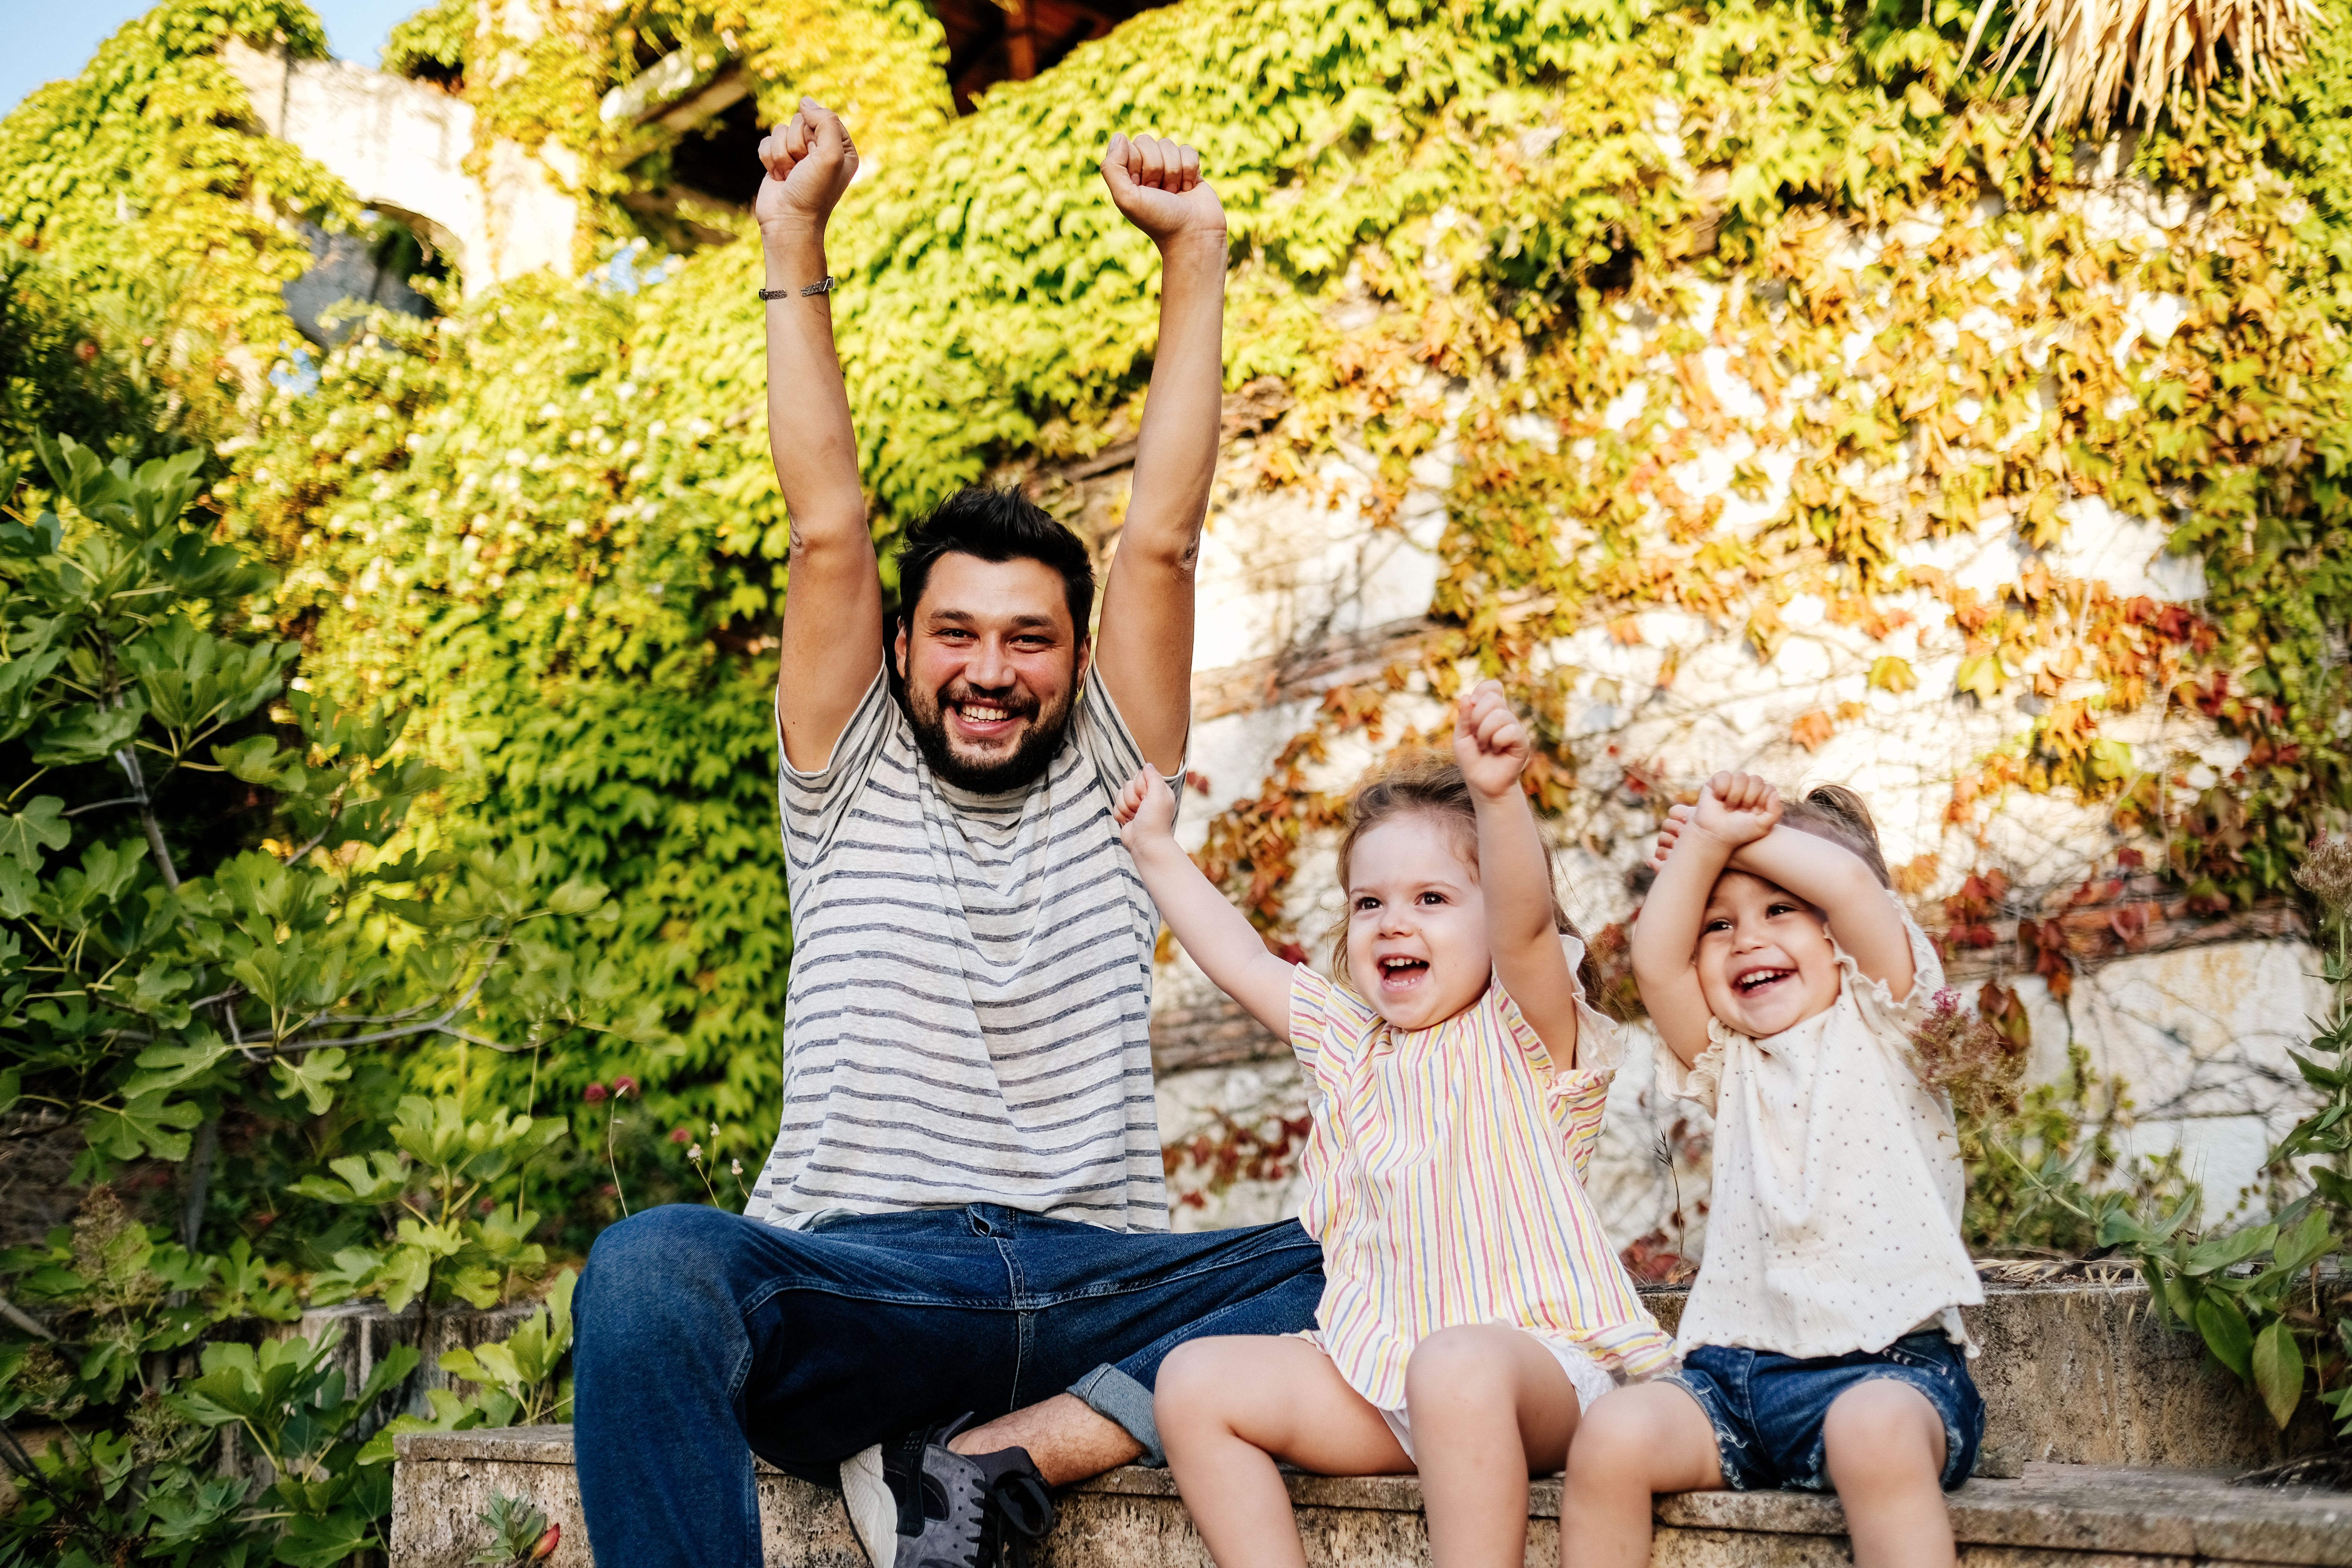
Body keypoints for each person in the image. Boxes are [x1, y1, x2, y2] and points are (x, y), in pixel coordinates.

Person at [570, 100, 1326, 1568]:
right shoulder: (846, 768)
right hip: (870, 1281)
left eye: (1031, 638)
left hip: (1099, 1275)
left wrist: (1196, 249)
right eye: (958, 634)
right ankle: (929, 1435)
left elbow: (1164, 538)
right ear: (902, 650)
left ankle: (991, 1460)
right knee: (650, 1268)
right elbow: (827, 528)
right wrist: (793, 231)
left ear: (1078, 661)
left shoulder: (1117, 775)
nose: (992, 669)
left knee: (1380, 1236)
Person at [1114, 680, 1678, 1568]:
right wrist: (1154, 847)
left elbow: (1527, 929)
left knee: (1454, 1366)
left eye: (1432, 899)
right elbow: (1243, 959)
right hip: (1384, 1381)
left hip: (1536, 1374)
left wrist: (1498, 795)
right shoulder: (1353, 1049)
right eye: (1369, 903)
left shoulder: (1523, 1033)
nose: (1392, 923)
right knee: (1192, 1382)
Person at [1566, 774, 1986, 1568]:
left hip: (1887, 1371)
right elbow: (1656, 963)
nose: (1746, 940)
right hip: (1732, 1382)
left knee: (1872, 1436)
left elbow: (1852, 886)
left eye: (1780, 909)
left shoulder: (1893, 1019)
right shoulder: (1728, 1058)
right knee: (1613, 1433)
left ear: (1839, 937)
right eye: (1718, 924)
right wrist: (1702, 847)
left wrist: (1733, 839)